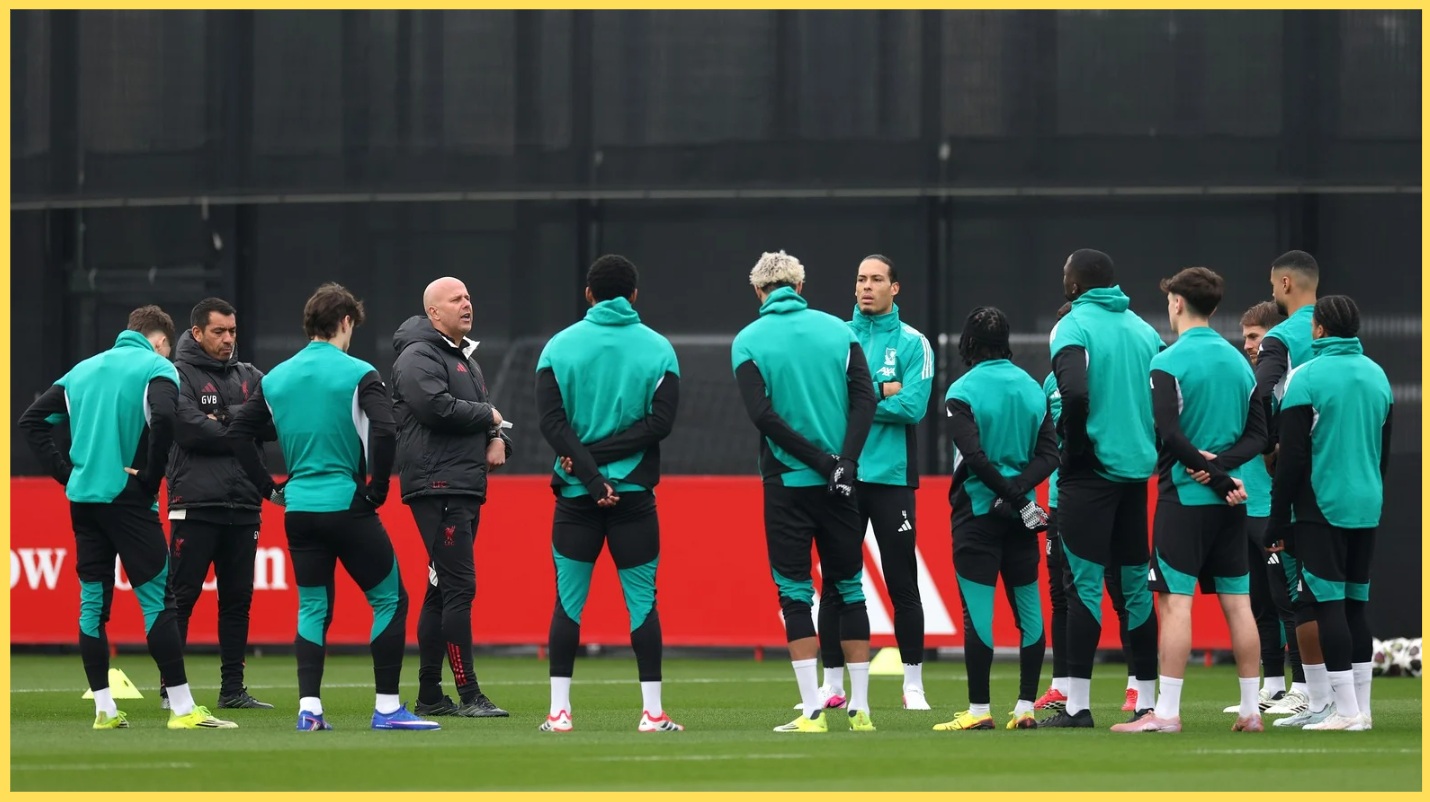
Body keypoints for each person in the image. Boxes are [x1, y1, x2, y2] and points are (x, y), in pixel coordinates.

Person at [226, 283, 438, 732]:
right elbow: (384, 430)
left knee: (313, 607)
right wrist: (378, 488)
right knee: (390, 600)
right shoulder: (359, 372)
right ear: (346, 322)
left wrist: (268, 488)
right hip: (346, 503)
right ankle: (386, 709)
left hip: (298, 509)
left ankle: (310, 710)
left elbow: (238, 435)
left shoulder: (275, 377)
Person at [19, 305, 236, 729]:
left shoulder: (81, 371)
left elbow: (32, 423)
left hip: (83, 501)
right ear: (160, 341)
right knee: (159, 602)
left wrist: (67, 474)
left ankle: (104, 710)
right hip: (128, 501)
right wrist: (151, 476)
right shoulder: (156, 367)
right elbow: (165, 418)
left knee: (93, 606)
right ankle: (181, 708)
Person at [1112, 267, 1266, 733]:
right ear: (1214, 307)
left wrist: (1211, 475)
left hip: (1186, 500)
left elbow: (1168, 433)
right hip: (1232, 503)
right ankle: (1250, 711)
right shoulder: (1240, 362)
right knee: (1239, 604)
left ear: (1177, 303)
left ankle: (1167, 713)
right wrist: (1224, 473)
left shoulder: (1167, 361)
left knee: (1175, 603)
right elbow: (1259, 435)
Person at [534, 255, 682, 733]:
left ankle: (559, 713)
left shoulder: (558, 347)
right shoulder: (659, 349)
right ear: (634, 295)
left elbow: (552, 424)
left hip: (577, 497)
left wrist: (590, 471)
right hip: (634, 496)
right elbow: (660, 425)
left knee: (568, 603)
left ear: (588, 294)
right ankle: (653, 713)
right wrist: (607, 472)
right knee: (642, 604)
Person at [732, 250, 878, 733]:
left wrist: (818, 460)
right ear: (800, 285)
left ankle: (813, 710)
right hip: (840, 486)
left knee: (796, 594)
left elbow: (763, 417)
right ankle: (861, 710)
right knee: (850, 589)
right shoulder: (842, 331)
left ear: (759, 291)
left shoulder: (748, 340)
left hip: (788, 485)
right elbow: (865, 400)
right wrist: (845, 463)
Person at [1039, 249, 1163, 729]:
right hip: (1135, 472)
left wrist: (1074, 450)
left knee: (1081, 589)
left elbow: (1074, 391)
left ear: (1075, 284)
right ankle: (1148, 701)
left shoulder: (1071, 325)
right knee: (1134, 589)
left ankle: (1077, 707)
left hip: (1090, 474)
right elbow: (1163, 396)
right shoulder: (1145, 330)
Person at [813, 254, 934, 712]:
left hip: (891, 479)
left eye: (877, 279)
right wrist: (881, 390)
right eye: (861, 278)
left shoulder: (914, 343)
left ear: (895, 288)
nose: (867, 286)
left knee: (902, 583)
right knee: (837, 582)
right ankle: (831, 685)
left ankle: (914, 685)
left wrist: (857, 401)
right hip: (844, 474)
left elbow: (914, 407)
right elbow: (825, 404)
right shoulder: (835, 339)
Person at [1266, 295, 1391, 731]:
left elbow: (1293, 460)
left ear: (1318, 330)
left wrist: (1277, 519)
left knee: (1328, 605)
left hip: (1322, 507)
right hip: (1366, 505)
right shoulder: (1378, 376)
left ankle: (1344, 712)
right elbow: (1383, 452)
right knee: (1356, 606)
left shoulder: (1307, 378)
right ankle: (1361, 710)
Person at [391, 277, 512, 718]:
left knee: (439, 591)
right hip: (438, 486)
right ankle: (469, 694)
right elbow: (435, 408)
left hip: (460, 484)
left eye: (468, 296)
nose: (467, 303)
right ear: (433, 313)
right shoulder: (417, 355)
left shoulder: (464, 359)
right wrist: (490, 417)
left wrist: (498, 435)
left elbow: (483, 420)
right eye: (456, 299)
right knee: (459, 587)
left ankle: (428, 696)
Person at [933, 307, 1057, 732]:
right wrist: (1021, 497)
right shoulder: (1032, 389)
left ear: (969, 342)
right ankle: (1025, 707)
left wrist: (1007, 496)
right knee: (1030, 613)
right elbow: (1050, 456)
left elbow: (975, 458)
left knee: (979, 617)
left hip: (977, 515)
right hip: (1023, 517)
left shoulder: (961, 391)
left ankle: (979, 709)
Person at [159, 298, 276, 712]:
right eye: (218, 332)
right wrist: (242, 423)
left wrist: (224, 418)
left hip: (244, 504)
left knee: (237, 601)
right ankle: (171, 690)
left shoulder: (250, 375)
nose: (228, 340)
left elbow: (275, 420)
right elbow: (189, 430)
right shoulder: (175, 374)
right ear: (197, 333)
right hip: (196, 503)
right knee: (182, 597)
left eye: (232, 332)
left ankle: (233, 690)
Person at [1035, 302, 1137, 714]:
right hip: (1061, 502)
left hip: (1098, 493)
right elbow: (1041, 446)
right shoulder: (1047, 384)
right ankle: (1062, 683)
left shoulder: (1107, 380)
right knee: (1063, 594)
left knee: (1120, 590)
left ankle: (1135, 684)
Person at [1219, 300, 1307, 717]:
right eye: (1246, 338)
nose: (1248, 345)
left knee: (1288, 598)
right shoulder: (1249, 381)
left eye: (1254, 337)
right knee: (1258, 600)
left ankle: (1305, 686)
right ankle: (1273, 686)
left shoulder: (1284, 385)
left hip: (1274, 506)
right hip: (1245, 506)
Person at [1255, 250, 1325, 724]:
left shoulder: (1279, 339)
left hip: (1300, 481)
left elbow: (1261, 393)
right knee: (1340, 592)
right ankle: (1345, 699)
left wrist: (1268, 446)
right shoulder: (1343, 336)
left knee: (1300, 592)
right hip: (1343, 476)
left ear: (1283, 284)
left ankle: (1308, 692)